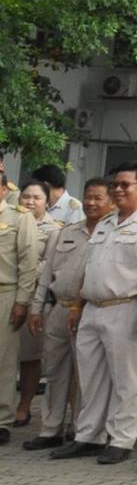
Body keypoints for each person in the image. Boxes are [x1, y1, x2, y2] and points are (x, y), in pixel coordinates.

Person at [53, 162, 137, 465]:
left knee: (127, 380)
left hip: (127, 308)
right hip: (92, 308)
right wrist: (77, 305)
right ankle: (89, 436)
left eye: (126, 185)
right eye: (115, 185)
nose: (118, 190)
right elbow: (90, 267)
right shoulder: (106, 222)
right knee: (91, 377)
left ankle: (122, 439)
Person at [23, 178, 111, 450]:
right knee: (54, 371)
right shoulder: (67, 231)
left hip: (87, 310)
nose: (91, 203)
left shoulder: (111, 233)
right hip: (59, 309)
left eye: (98, 198)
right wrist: (37, 308)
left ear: (111, 202)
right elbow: (48, 273)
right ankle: (51, 429)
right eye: (88, 197)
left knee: (86, 374)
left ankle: (81, 430)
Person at [1, 178, 49, 439]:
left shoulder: (19, 218)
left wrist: (22, 301)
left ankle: (2, 419)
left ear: (4, 189)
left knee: (4, 359)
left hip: (5, 293)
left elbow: (28, 262)